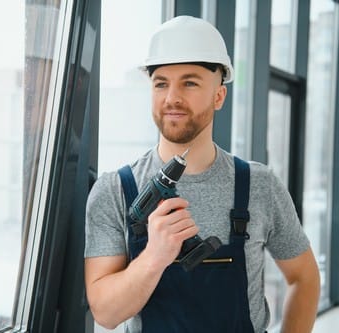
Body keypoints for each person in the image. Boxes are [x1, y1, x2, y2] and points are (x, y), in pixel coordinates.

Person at [84, 15, 320, 333]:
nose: (172, 98)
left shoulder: (259, 185)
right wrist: (155, 256)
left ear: (219, 96)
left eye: (190, 82)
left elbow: (303, 277)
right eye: (161, 83)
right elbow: (106, 313)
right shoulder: (115, 189)